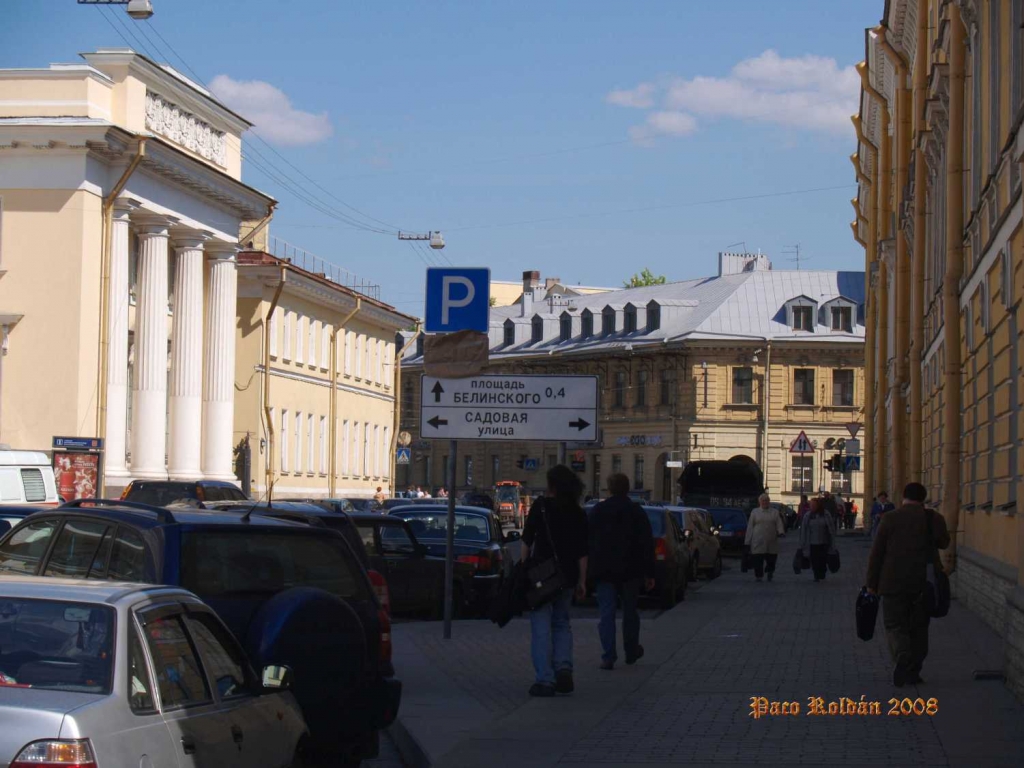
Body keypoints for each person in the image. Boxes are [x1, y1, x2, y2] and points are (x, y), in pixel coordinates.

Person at [866, 482, 950, 687]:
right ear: (924, 498)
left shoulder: (890, 518)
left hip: (892, 583)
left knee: (895, 624)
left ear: (903, 496)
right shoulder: (933, 518)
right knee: (919, 627)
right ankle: (913, 671)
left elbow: (877, 553)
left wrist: (871, 583)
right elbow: (944, 543)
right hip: (923, 583)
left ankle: (902, 654)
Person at [520, 465, 589, 697]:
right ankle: (564, 668)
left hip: (542, 576)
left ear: (552, 486)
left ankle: (545, 680)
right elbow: (582, 552)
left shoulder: (540, 508)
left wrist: (524, 570)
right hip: (568, 576)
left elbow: (526, 543)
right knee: (561, 623)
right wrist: (582, 581)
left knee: (541, 626)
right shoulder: (578, 512)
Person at [588, 473, 656, 671]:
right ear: (628, 489)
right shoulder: (635, 511)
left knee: (606, 614)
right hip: (630, 570)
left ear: (609, 489)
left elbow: (589, 540)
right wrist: (649, 573)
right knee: (630, 612)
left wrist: (587, 571)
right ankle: (631, 651)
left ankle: (608, 657)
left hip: (604, 571)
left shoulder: (599, 510)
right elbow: (646, 543)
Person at [744, 493, 785, 582]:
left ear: (769, 502)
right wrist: (747, 541)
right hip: (757, 540)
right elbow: (750, 527)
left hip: (771, 540)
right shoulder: (755, 512)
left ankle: (770, 572)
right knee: (757, 559)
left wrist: (781, 532)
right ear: (759, 502)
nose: (765, 502)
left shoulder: (774, 512)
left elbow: (779, 523)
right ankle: (759, 576)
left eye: (766, 500)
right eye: (763, 501)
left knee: (771, 559)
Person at [800, 497, 835, 581]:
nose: (812, 507)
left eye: (814, 505)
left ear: (818, 505)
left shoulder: (825, 514)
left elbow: (831, 527)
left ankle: (822, 572)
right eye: (811, 505)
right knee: (814, 559)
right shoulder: (808, 515)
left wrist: (832, 538)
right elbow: (804, 529)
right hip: (812, 542)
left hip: (824, 541)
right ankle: (816, 575)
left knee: (822, 559)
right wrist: (802, 542)